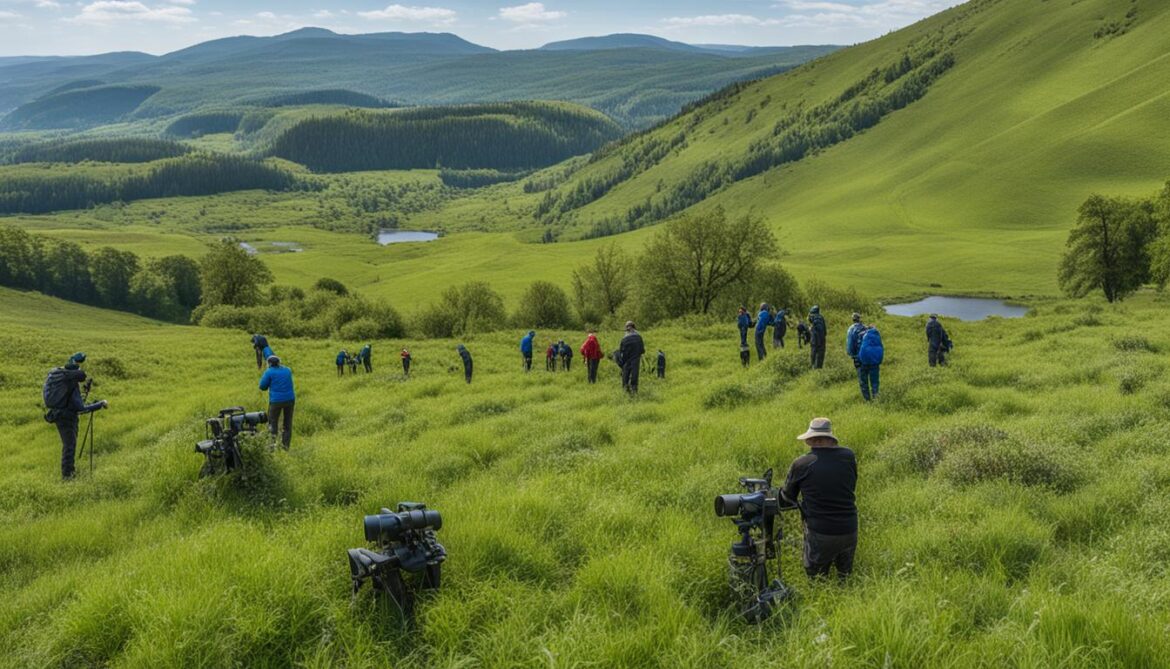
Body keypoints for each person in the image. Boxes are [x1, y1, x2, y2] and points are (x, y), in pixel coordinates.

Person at [780, 417, 858, 582]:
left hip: (821, 532)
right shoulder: (848, 456)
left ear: (810, 440)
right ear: (830, 438)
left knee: (817, 581)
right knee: (845, 578)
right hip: (849, 528)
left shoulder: (802, 463)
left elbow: (787, 499)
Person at [43, 352, 108, 480]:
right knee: (69, 446)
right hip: (67, 417)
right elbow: (80, 408)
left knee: (68, 445)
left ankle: (69, 473)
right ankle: (68, 477)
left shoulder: (59, 377)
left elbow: (74, 402)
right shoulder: (72, 383)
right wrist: (100, 404)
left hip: (58, 414)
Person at [259, 354, 295, 449]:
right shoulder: (287, 370)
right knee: (287, 423)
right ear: (279, 362)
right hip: (290, 400)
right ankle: (286, 446)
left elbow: (262, 386)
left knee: (272, 423)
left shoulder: (269, 372)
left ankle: (272, 446)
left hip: (276, 401)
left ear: (269, 363)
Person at [856, 325, 883, 401]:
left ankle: (867, 399)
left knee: (864, 381)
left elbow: (858, 347)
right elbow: (881, 348)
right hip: (875, 362)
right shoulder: (878, 335)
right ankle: (875, 397)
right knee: (875, 381)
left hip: (864, 361)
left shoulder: (863, 334)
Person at [619, 321, 645, 394]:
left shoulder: (624, 339)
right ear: (634, 327)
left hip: (626, 359)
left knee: (625, 373)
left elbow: (621, 351)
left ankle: (625, 389)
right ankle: (634, 389)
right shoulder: (639, 337)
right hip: (636, 359)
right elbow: (642, 350)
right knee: (635, 374)